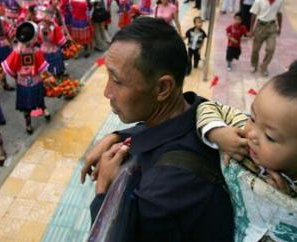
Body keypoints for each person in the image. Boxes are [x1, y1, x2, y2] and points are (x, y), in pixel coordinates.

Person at [81, 17, 234, 242]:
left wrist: (105, 190)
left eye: (117, 81)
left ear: (163, 88)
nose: (107, 92)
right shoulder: (205, 115)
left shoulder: (159, 194)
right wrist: (118, 136)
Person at [196, 67, 297, 210]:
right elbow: (208, 106)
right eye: (252, 117)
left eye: (270, 137)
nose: (252, 134)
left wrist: (285, 202)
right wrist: (217, 133)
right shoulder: (243, 131)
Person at [2, 22, 50, 135]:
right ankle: (45, 110)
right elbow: (43, 68)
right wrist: (49, 77)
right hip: (36, 80)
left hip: (22, 82)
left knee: (26, 106)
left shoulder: (16, 52)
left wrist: (13, 76)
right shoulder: (36, 51)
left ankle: (28, 125)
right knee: (39, 97)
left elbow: (8, 68)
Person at [249, 0, 283, 77]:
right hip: (260, 26)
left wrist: (280, 27)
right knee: (255, 49)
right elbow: (254, 15)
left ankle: (264, 66)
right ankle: (253, 64)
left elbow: (279, 14)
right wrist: (251, 30)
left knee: (271, 49)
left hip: (272, 27)